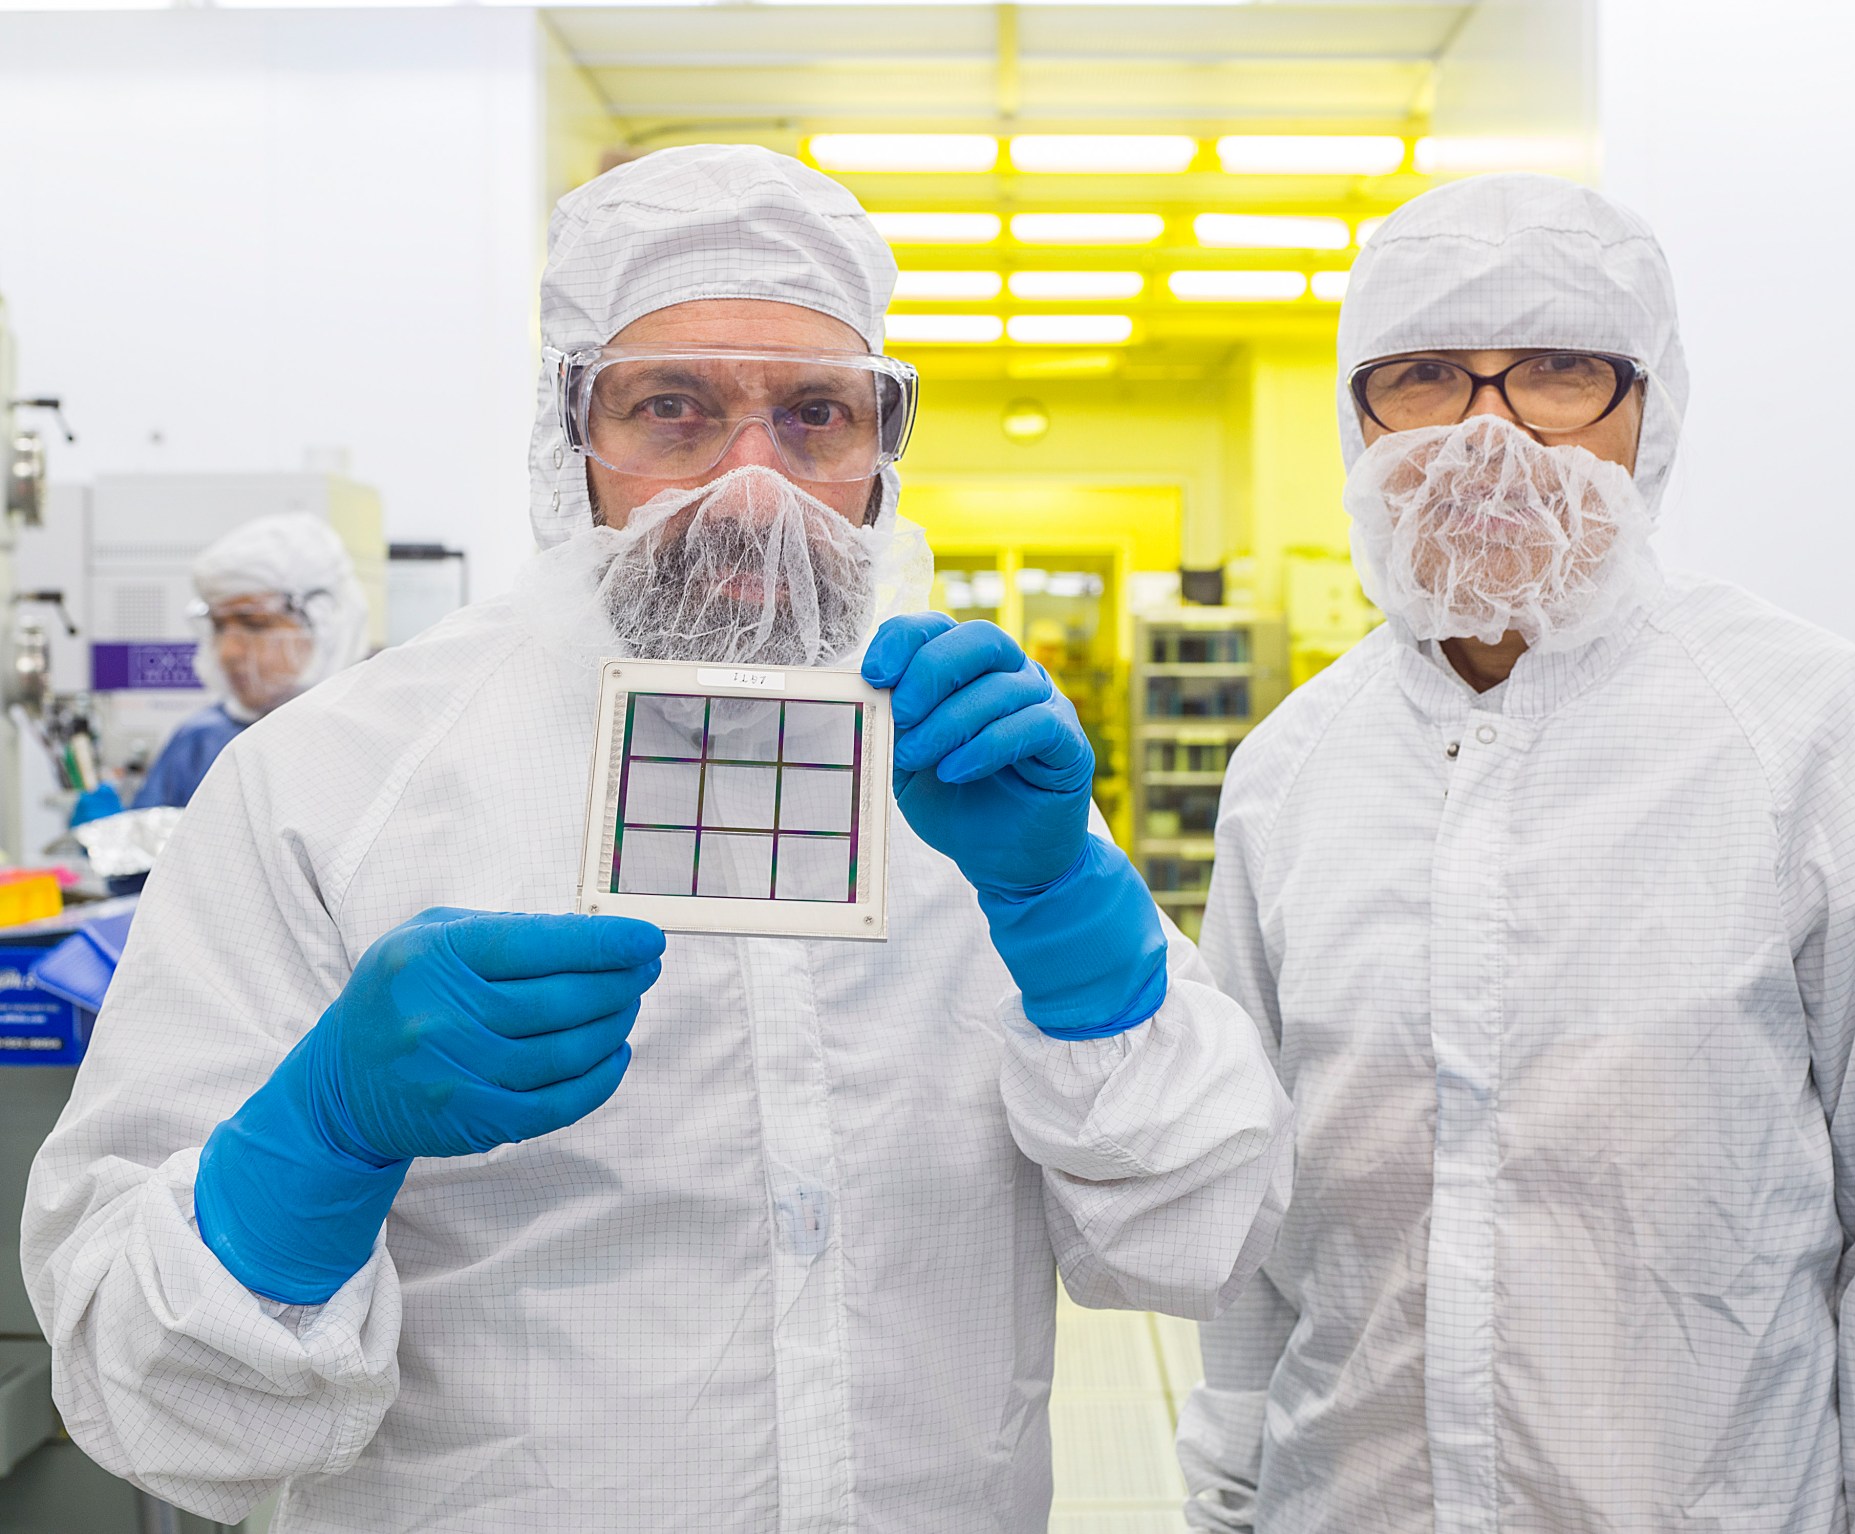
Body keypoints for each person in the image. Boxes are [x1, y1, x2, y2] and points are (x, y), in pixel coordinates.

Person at [23, 145, 1291, 1534]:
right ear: (571, 439)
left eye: (818, 413)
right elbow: (158, 1403)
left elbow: (1196, 1235)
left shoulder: (969, 775)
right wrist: (316, 1142)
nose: (752, 485)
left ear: (883, 455)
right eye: (673, 409)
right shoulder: (331, 786)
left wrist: (1070, 909)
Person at [1176, 173, 1855, 1532]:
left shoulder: (1806, 731)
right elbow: (1250, 1233)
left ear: (1652, 412)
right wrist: (1228, 1495)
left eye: (1560, 372)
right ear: (1356, 419)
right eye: (1422, 378)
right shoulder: (1292, 774)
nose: (1486, 434)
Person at [131, 511, 369, 809]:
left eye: (255, 624)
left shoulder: (371, 741)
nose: (229, 651)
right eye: (219, 626)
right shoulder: (199, 744)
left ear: (325, 623)